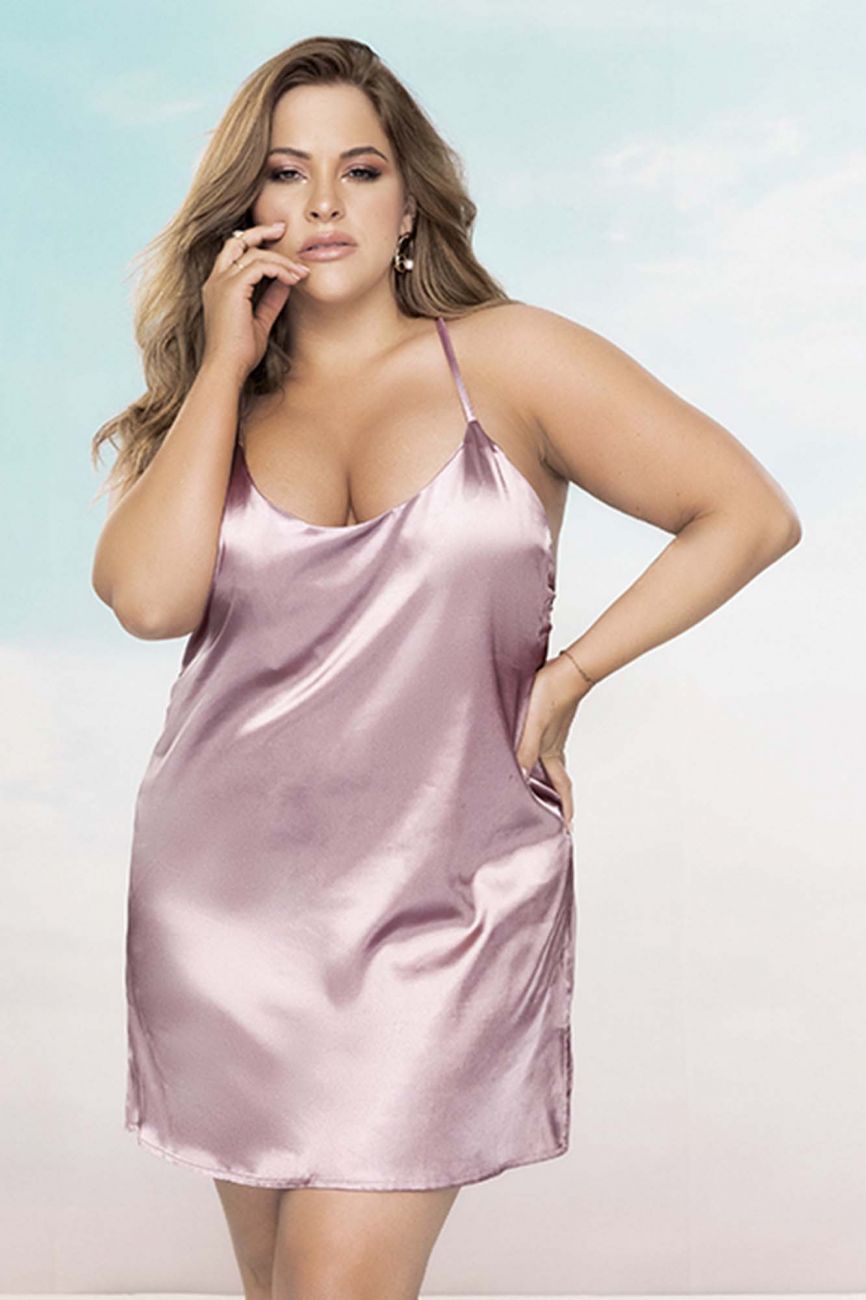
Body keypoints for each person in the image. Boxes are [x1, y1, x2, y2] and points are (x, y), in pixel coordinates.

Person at [90, 34, 802, 1300]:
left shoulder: (511, 359)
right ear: (246, 208)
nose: (323, 203)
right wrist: (220, 367)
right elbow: (148, 600)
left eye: (358, 170)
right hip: (227, 909)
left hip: (441, 902)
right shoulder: (226, 409)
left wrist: (568, 677)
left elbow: (745, 513)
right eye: (286, 173)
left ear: (408, 199)